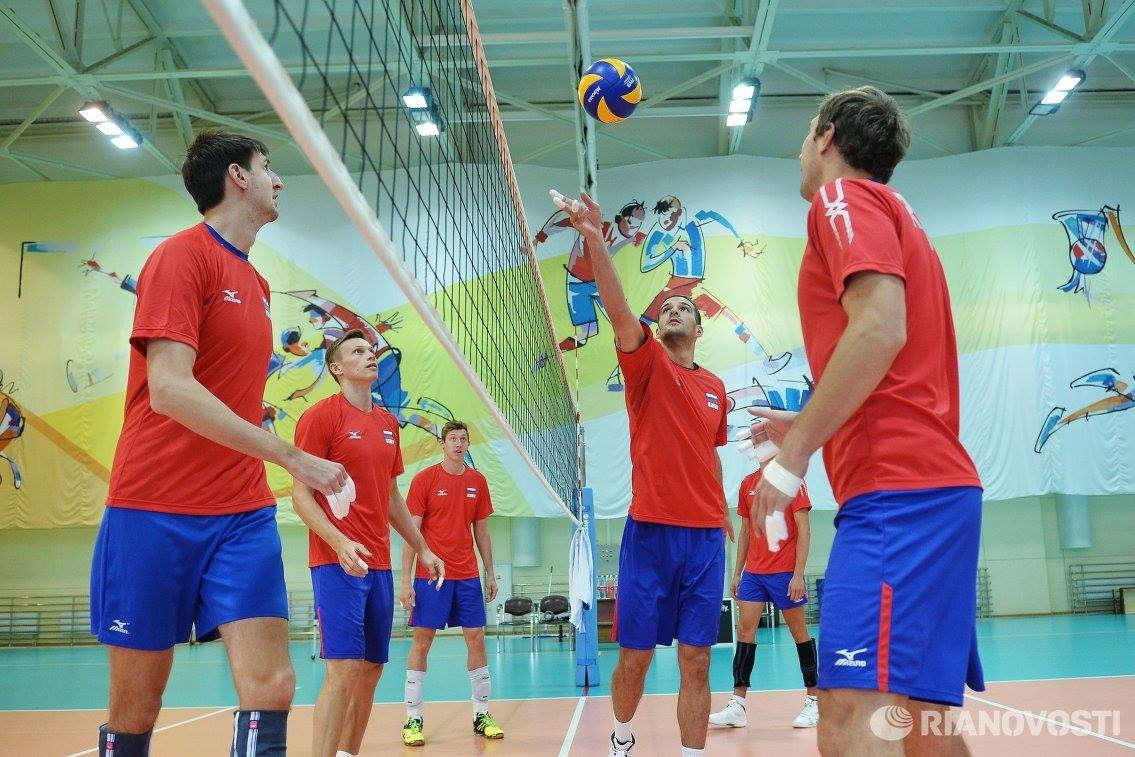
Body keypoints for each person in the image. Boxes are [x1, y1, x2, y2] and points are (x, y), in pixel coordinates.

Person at [89, 130, 348, 757]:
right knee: (136, 707)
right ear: (237, 176)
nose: (278, 180)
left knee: (273, 686)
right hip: (154, 507)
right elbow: (169, 389)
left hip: (241, 512)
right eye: (268, 167)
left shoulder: (256, 283)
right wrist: (292, 457)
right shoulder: (181, 257)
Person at [747, 86, 984, 755]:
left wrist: (794, 454)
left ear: (826, 137)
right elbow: (892, 369)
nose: (800, 152)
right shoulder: (898, 214)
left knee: (850, 709)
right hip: (935, 489)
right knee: (922, 723)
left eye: (805, 136)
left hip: (896, 494)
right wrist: (807, 420)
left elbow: (879, 329)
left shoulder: (841, 199)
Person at [553, 189, 730, 757]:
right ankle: (622, 736)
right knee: (636, 656)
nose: (674, 310)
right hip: (650, 534)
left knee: (697, 659)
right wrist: (593, 238)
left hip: (705, 539)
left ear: (699, 329)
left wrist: (724, 509)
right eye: (668, 307)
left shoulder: (716, 388)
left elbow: (710, 452)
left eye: (685, 309)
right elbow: (619, 308)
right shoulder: (646, 361)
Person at [291, 328, 444, 757]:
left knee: (372, 668)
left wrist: (423, 547)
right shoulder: (321, 417)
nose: (370, 355)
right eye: (357, 351)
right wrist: (339, 542)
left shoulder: (387, 423)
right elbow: (300, 495)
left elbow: (391, 496)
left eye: (371, 350)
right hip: (336, 561)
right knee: (343, 668)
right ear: (337, 368)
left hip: (377, 563)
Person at [397, 420, 503, 746]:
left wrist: (490, 571)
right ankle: (412, 718)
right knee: (422, 642)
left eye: (463, 439)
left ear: (468, 444)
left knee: (476, 639)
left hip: (467, 575)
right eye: (453, 438)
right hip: (431, 576)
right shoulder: (425, 480)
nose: (458, 444)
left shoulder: (477, 481)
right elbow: (411, 532)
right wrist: (405, 580)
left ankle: (481, 714)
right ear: (442, 444)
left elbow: (481, 530)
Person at [709, 468, 817, 730]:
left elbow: (804, 529)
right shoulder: (748, 482)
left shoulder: (793, 480)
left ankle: (814, 700)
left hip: (785, 573)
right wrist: (738, 572)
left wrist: (798, 574)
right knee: (745, 633)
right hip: (754, 574)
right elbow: (745, 531)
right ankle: (738, 705)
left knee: (799, 634)